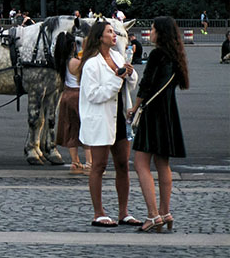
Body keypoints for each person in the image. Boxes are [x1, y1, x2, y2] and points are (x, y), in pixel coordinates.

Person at [129, 16, 189, 233]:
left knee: (140, 163)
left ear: (160, 33)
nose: (150, 33)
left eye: (152, 29)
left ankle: (153, 215)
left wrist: (134, 108)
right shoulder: (176, 55)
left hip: (153, 113)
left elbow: (146, 85)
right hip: (168, 113)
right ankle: (165, 212)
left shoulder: (157, 54)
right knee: (163, 164)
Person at [79, 19, 140, 227]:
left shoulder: (117, 56)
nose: (114, 35)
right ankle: (99, 212)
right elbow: (93, 94)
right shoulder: (91, 63)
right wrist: (117, 79)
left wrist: (130, 75)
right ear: (99, 37)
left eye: (114, 32)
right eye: (110, 32)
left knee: (123, 164)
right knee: (99, 165)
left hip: (120, 117)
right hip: (100, 119)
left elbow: (129, 85)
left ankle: (124, 212)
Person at [53, 33, 88, 175]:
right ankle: (90, 162)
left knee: (71, 130)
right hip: (78, 95)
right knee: (86, 130)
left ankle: (75, 163)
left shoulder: (63, 61)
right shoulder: (78, 62)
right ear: (73, 46)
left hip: (66, 95)